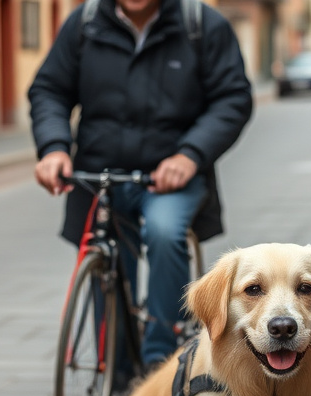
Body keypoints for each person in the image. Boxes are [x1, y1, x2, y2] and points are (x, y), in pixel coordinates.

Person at [28, 0, 253, 368]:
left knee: (165, 232)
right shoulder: (84, 24)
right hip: (99, 177)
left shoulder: (201, 25)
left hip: (170, 177)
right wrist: (53, 148)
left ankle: (159, 362)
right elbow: (49, 90)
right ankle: (114, 374)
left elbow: (232, 98)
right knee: (106, 262)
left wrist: (189, 155)